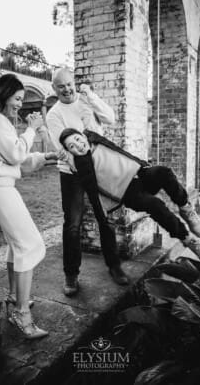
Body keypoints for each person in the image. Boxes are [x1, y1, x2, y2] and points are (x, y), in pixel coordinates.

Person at [58, 128, 200, 262]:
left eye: (78, 139)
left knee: (163, 172)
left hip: (139, 174)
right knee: (155, 205)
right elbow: (62, 155)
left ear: (84, 136)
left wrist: (87, 93)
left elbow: (91, 112)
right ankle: (188, 240)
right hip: (128, 193)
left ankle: (186, 208)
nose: (78, 145)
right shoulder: (79, 165)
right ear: (69, 151)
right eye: (72, 146)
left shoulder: (95, 138)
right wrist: (45, 135)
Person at [0, 73, 58, 339]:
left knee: (18, 245)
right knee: (31, 244)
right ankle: (22, 313)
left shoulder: (0, 122)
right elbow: (15, 153)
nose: (19, 105)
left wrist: (45, 156)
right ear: (4, 95)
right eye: (17, 99)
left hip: (3, 187)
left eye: (21, 100)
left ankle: (15, 297)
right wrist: (31, 130)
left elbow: (18, 160)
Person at [46, 67, 128, 297]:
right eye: (61, 86)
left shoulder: (86, 101)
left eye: (69, 84)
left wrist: (90, 96)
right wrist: (82, 164)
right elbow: (63, 149)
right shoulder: (54, 115)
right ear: (55, 88)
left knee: (106, 218)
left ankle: (114, 266)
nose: (67, 89)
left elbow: (110, 119)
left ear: (74, 82)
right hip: (71, 173)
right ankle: (71, 274)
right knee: (72, 224)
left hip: (99, 168)